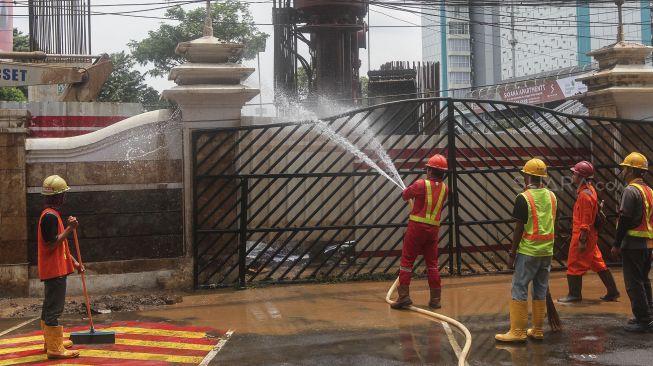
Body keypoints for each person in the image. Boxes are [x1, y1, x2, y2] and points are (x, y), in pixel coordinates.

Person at [496, 158, 556, 342]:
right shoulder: (552, 196)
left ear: (528, 176)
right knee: (540, 289)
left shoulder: (523, 198)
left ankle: (518, 332)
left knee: (519, 287)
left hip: (528, 251)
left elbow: (519, 228)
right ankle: (537, 330)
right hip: (547, 251)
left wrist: (511, 254)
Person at [390, 154, 448, 310]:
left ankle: (403, 297)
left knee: (407, 262)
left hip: (416, 229)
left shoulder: (420, 184)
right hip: (433, 231)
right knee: (432, 265)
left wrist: (408, 190)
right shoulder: (445, 188)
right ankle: (435, 300)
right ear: (443, 173)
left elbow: (405, 196)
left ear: (429, 171)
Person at [558, 161, 620, 303]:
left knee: (574, 264)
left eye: (575, 173)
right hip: (591, 235)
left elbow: (585, 220)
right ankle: (613, 291)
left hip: (582, 235)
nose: (573, 175)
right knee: (598, 262)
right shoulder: (590, 190)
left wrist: (582, 240)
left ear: (581, 177)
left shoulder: (584, 196)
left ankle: (574, 294)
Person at [39, 175, 83, 359]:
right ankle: (55, 349)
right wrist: (70, 229)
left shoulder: (52, 215)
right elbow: (51, 244)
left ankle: (51, 341)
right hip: (54, 271)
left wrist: (73, 261)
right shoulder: (49, 217)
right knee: (54, 309)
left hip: (56, 268)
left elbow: (61, 245)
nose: (65, 197)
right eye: (63, 194)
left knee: (49, 307)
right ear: (58, 197)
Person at [612, 152, 653, 333]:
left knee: (633, 282)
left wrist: (616, 243)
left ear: (630, 170)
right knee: (643, 280)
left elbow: (625, 219)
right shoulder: (649, 190)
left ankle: (643, 320)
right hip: (648, 244)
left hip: (633, 244)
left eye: (624, 168)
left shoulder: (630, 190)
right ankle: (648, 315)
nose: (623, 171)